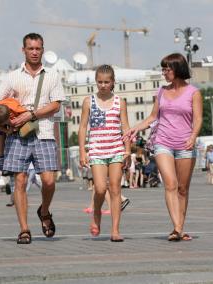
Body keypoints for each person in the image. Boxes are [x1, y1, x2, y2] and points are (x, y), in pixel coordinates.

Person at [0, 33, 65, 244]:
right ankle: (24, 229)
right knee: (20, 181)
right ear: (23, 50)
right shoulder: (13, 76)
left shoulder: (52, 75)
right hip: (17, 135)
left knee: (49, 181)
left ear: (42, 50)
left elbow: (56, 104)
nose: (34, 52)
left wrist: (31, 114)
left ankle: (45, 210)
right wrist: (6, 114)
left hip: (44, 132)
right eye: (30, 48)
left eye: (37, 48)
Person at [124, 53, 203, 242]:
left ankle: (179, 228)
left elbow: (198, 119)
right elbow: (152, 117)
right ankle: (177, 228)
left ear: (178, 69)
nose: (164, 72)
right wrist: (135, 128)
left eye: (167, 69)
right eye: (163, 69)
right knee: (170, 184)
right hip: (163, 142)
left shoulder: (194, 92)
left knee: (183, 189)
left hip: (185, 144)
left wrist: (193, 136)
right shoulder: (161, 91)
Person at [79, 64, 131, 242]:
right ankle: (96, 215)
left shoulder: (120, 102)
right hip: (96, 150)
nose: (103, 85)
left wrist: (128, 150)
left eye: (106, 82)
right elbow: (83, 127)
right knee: (100, 188)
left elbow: (125, 126)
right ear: (96, 82)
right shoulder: (89, 101)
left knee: (115, 189)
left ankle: (115, 230)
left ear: (113, 82)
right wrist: (82, 152)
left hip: (116, 149)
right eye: (100, 82)